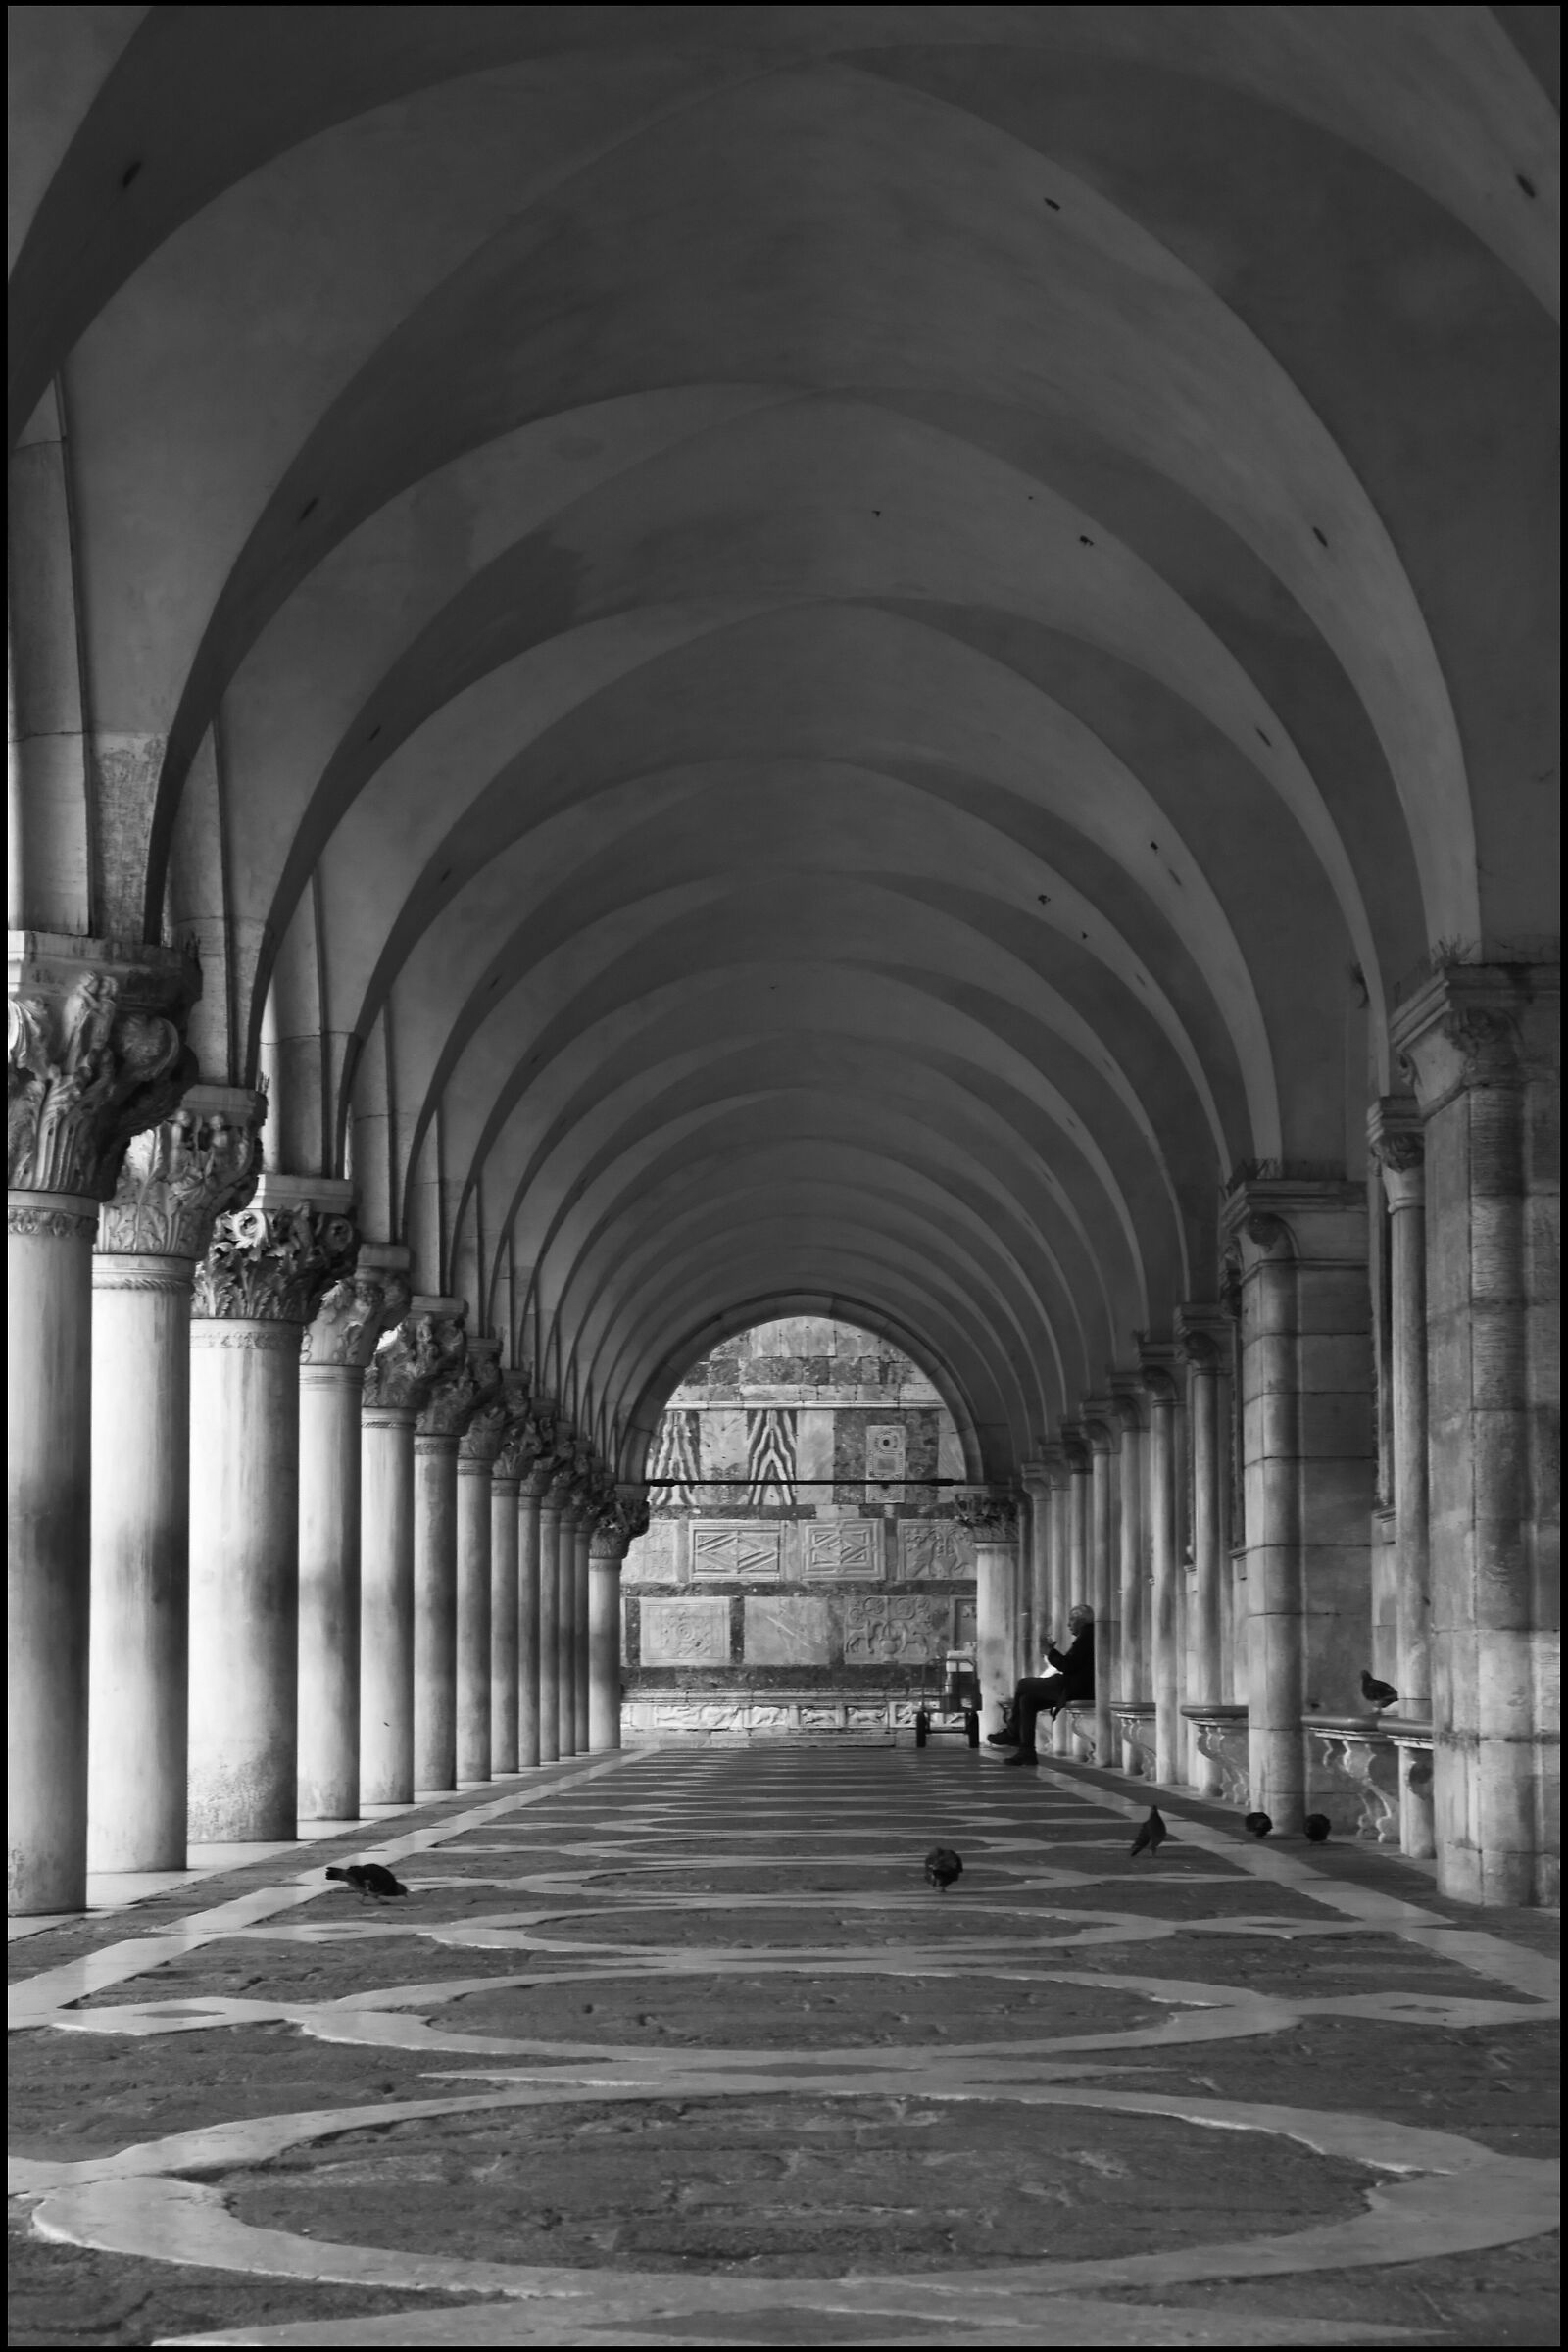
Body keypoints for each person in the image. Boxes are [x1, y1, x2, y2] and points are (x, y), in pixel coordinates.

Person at [990, 1605, 1095, 1767]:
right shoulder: (1087, 1635)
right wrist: (1051, 1652)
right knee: (1027, 1701)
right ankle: (1027, 1752)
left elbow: (1068, 1666)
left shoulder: (1088, 1635)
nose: (1068, 1624)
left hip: (1074, 1687)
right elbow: (1072, 1664)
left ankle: (1012, 1732)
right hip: (1076, 1686)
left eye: (1071, 1620)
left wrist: (1049, 1652)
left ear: (1082, 1620)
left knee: (1023, 1684)